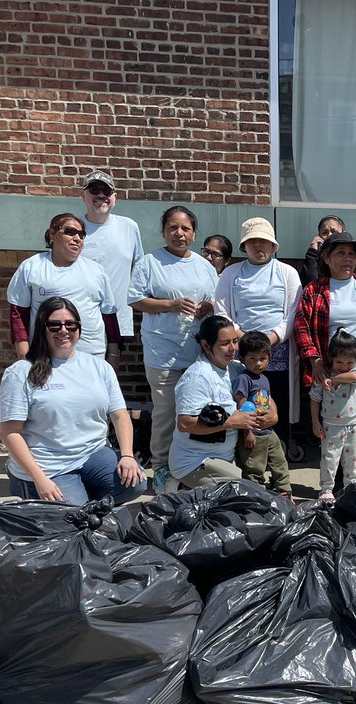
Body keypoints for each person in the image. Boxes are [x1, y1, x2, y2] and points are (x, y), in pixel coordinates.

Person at [0, 297, 146, 504]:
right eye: (54, 325)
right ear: (42, 328)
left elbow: (120, 415)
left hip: (93, 454)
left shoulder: (99, 367)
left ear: (79, 327)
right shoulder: (21, 372)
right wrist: (40, 479)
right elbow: (9, 432)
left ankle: (85, 503)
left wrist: (128, 456)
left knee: (135, 482)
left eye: (70, 324)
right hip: (48, 466)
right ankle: (59, 500)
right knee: (73, 515)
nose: (63, 330)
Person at [128, 205, 219, 493]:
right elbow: (135, 300)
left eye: (185, 228)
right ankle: (162, 469)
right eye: (173, 228)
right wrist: (172, 304)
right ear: (163, 231)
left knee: (197, 410)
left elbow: (217, 300)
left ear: (193, 233)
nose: (179, 233)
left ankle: (191, 467)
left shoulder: (204, 265)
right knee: (166, 412)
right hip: (163, 351)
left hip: (197, 352)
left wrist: (208, 308)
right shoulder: (150, 262)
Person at [293, 231, 356, 451]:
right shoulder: (314, 290)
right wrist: (314, 360)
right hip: (328, 371)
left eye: (351, 254)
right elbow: (301, 327)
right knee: (332, 431)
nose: (347, 258)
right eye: (341, 253)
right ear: (327, 258)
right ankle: (336, 480)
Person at [214, 217, 302, 447]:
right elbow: (222, 310)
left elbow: (293, 313)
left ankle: (277, 446)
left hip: (277, 349)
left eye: (263, 241)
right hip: (242, 348)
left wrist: (270, 340)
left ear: (273, 245)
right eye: (252, 242)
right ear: (244, 246)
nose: (258, 246)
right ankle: (247, 448)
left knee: (276, 400)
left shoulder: (287, 273)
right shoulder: (231, 273)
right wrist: (244, 340)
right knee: (244, 397)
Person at [168, 315, 260, 491]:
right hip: (196, 461)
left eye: (235, 341)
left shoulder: (236, 369)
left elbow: (263, 394)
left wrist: (272, 413)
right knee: (245, 497)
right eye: (225, 343)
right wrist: (232, 422)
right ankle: (179, 487)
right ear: (206, 346)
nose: (233, 348)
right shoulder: (197, 377)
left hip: (227, 457)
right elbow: (185, 423)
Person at [7, 212, 117, 360]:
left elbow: (109, 316)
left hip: (91, 357)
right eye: (70, 232)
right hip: (45, 357)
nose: (77, 238)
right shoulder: (31, 267)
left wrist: (113, 356)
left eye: (81, 234)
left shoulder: (97, 271)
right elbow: (18, 314)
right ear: (52, 234)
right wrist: (23, 355)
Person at [78, 170, 143, 362]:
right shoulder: (73, 228)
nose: (100, 196)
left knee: (109, 375)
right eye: (94, 190)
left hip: (116, 319)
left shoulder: (129, 227)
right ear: (83, 195)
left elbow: (139, 269)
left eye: (106, 191)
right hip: (79, 319)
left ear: (115, 197)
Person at [232, 330, 292, 498]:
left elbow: (268, 400)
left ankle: (284, 492)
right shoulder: (244, 379)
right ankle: (256, 497)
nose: (258, 363)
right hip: (253, 434)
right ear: (242, 359)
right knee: (254, 467)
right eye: (252, 359)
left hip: (268, 431)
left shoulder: (264, 379)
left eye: (262, 359)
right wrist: (248, 432)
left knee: (279, 461)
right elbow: (241, 404)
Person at [309, 329, 356, 503]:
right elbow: (314, 399)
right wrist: (315, 422)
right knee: (329, 458)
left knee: (352, 459)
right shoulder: (321, 377)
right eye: (339, 362)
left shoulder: (355, 371)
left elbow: (354, 376)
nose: (344, 366)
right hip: (331, 425)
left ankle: (350, 488)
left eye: (349, 362)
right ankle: (326, 489)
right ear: (331, 358)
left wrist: (334, 380)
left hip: (354, 424)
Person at [303, 215, 345, 283]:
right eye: (324, 233)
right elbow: (312, 284)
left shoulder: (350, 254)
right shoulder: (315, 257)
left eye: (334, 231)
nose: (329, 235)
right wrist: (312, 253)